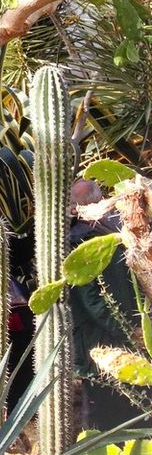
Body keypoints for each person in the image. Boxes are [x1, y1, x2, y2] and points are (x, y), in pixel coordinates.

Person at [68, 177, 139, 430]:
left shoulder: (112, 232)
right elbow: (93, 302)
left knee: (130, 404)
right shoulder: (80, 241)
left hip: (120, 337)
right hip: (98, 341)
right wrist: (130, 331)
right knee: (104, 409)